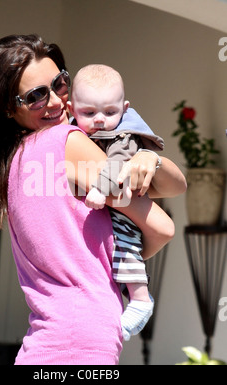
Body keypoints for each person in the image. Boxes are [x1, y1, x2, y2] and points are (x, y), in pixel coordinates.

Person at [0, 34, 187, 365]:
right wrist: (149, 161)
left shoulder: (15, 163)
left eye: (60, 83)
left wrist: (149, 164)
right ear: (8, 108)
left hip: (53, 340)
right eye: (35, 96)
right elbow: (162, 226)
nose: (56, 101)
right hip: (82, 339)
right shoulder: (65, 141)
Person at [67, 64, 173, 340]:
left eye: (110, 112)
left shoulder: (123, 135)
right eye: (89, 113)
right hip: (102, 210)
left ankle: (140, 299)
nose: (100, 120)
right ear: (71, 108)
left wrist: (101, 190)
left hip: (122, 202)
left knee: (127, 247)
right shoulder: (72, 134)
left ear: (124, 108)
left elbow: (116, 164)